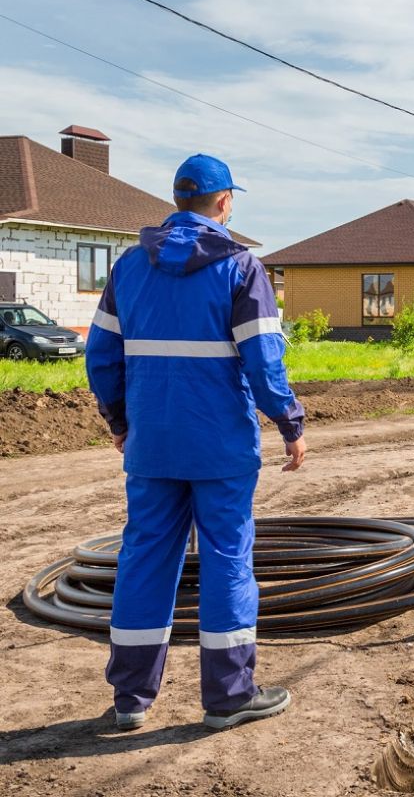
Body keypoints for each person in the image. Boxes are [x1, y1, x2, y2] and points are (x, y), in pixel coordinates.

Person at [85, 154, 306, 732]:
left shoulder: (130, 266)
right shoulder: (240, 268)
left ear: (178, 200)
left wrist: (118, 421)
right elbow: (263, 360)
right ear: (224, 201)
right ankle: (228, 697)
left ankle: (130, 699)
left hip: (152, 444)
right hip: (220, 447)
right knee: (227, 560)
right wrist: (289, 422)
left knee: (145, 558)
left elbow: (101, 356)